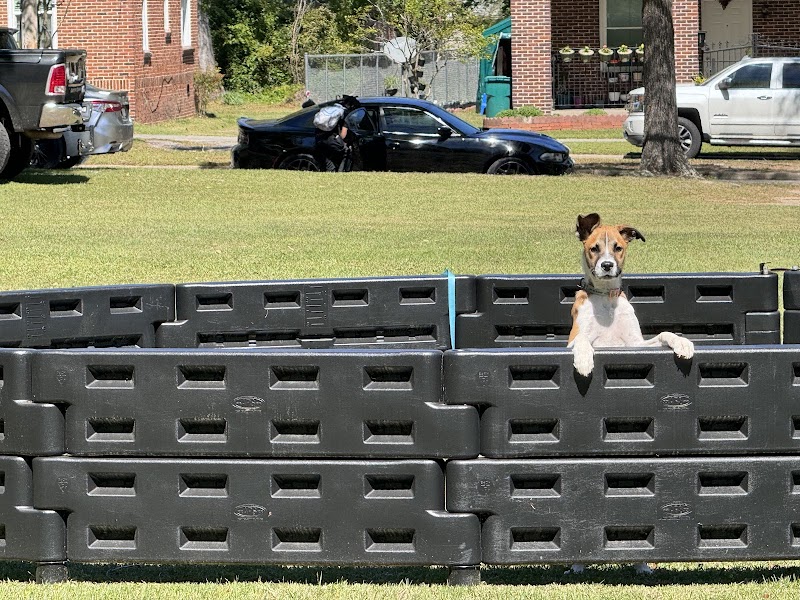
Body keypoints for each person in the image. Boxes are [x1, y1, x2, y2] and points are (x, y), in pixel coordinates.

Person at [313, 95, 360, 172]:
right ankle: (340, 173)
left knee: (325, 162)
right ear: (351, 106)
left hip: (318, 139)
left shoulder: (330, 108)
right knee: (345, 151)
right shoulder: (345, 113)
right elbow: (343, 135)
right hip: (330, 141)